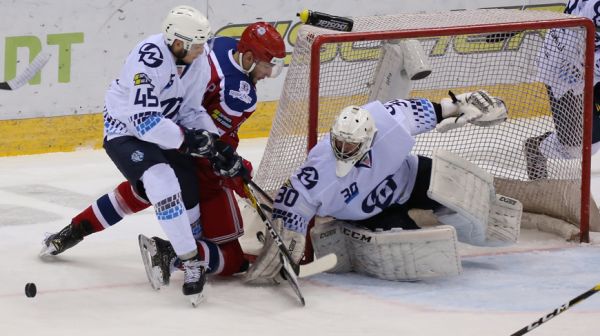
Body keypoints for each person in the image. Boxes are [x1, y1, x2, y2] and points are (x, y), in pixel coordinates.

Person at [40, 22, 286, 288]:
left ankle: (74, 230)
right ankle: (172, 253)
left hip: (167, 134)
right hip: (190, 155)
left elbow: (199, 123)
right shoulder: (238, 95)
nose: (269, 73)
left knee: (144, 189)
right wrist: (237, 169)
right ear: (248, 58)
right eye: (267, 65)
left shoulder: (224, 45)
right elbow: (211, 151)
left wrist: (221, 152)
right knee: (230, 259)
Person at [244, 90, 522, 282]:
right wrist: (283, 242)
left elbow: (439, 109)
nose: (342, 149)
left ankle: (473, 225)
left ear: (368, 139)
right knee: (416, 257)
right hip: (371, 214)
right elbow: (292, 202)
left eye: (350, 144)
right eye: (338, 141)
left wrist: (465, 104)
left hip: (410, 178)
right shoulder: (319, 169)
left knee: (465, 196)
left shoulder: (386, 120)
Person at [525, 0, 600, 180]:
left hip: (588, 60)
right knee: (574, 149)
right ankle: (537, 147)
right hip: (564, 69)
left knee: (592, 144)